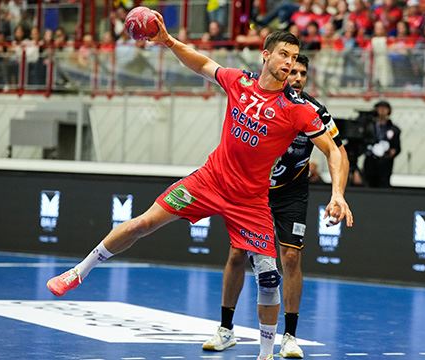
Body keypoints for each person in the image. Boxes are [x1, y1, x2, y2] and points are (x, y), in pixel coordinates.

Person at [46, 11, 353, 360]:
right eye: (284, 54)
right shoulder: (240, 82)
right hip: (209, 181)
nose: (289, 62)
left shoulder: (297, 109)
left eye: (295, 58)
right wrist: (168, 41)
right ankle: (78, 272)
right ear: (265, 55)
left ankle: (266, 353)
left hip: (251, 200)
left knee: (269, 277)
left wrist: (337, 194)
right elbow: (203, 64)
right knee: (144, 222)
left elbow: (333, 150)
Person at [201, 54, 350, 359]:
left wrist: (338, 193)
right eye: (292, 70)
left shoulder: (313, 112)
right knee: (237, 253)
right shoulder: (258, 99)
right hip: (252, 192)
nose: (296, 76)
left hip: (291, 193)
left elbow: (339, 154)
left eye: (302, 73)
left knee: (292, 258)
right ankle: (226, 329)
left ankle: (290, 337)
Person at [362, 100, 401, 188]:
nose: (382, 110)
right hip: (371, 161)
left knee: (383, 184)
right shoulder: (369, 127)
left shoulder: (394, 129)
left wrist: (392, 152)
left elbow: (397, 147)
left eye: (385, 108)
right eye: (380, 108)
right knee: (368, 183)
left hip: (385, 163)